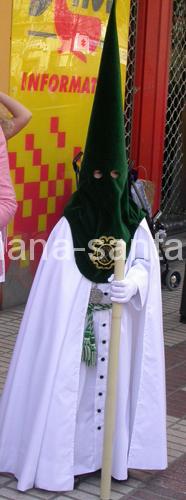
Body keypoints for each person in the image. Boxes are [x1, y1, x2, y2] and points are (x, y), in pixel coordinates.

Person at [0, 1, 167, 492]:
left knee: (113, 391)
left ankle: (108, 459)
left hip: (117, 325)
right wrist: (85, 294)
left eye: (114, 176)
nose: (106, 184)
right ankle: (60, 460)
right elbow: (54, 291)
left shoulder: (132, 218)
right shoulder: (68, 224)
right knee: (66, 387)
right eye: (97, 175)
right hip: (79, 330)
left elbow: (146, 265)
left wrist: (133, 283)